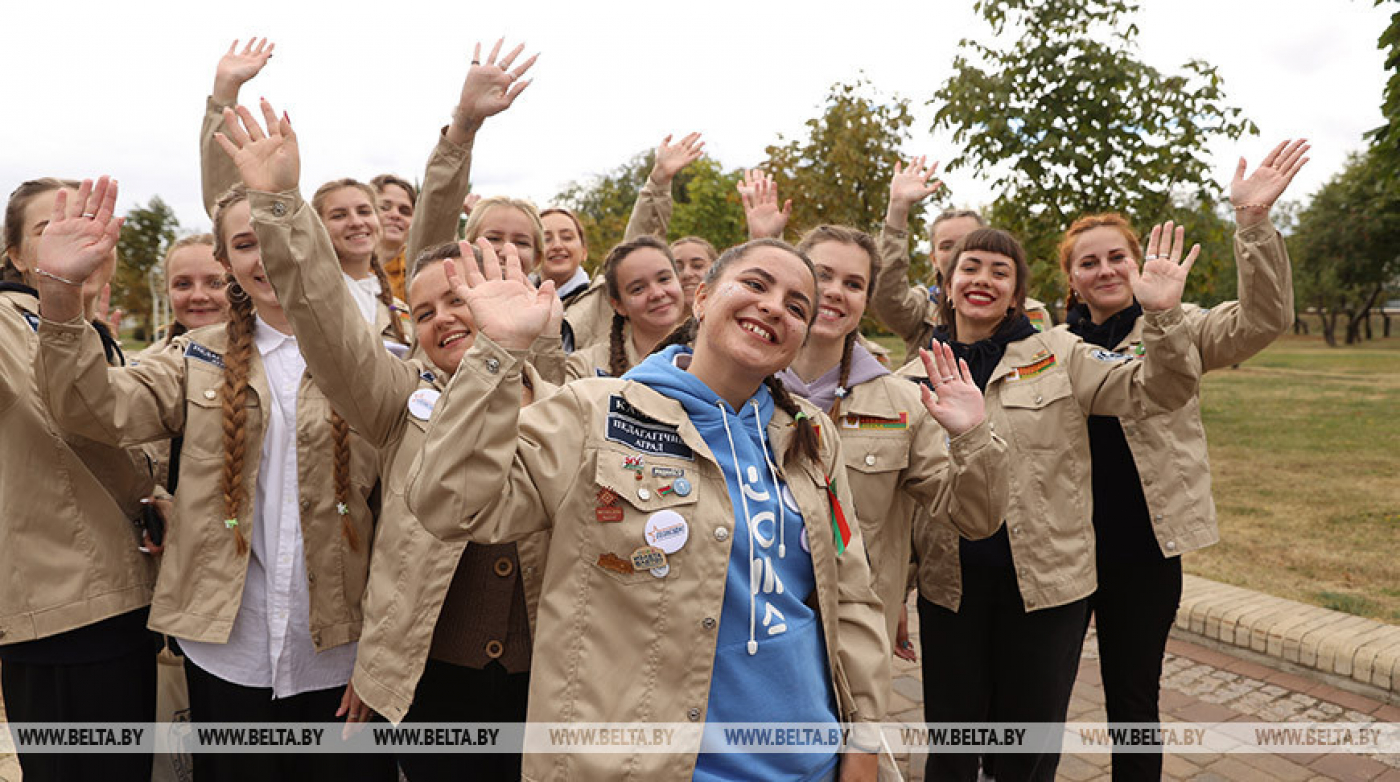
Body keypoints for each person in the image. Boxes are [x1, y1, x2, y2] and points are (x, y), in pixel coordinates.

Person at [407, 238, 889, 781]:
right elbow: (449, 505)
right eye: (755, 284)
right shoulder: (595, 412)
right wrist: (496, 352)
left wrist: (864, 739)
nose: (775, 306)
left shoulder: (811, 434)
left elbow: (850, 595)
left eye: (797, 306)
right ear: (702, 298)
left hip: (809, 764)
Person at [214, 94, 560, 780]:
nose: (442, 319)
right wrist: (281, 206)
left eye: (460, 299)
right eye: (424, 310)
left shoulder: (575, 402)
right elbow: (328, 328)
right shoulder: (405, 400)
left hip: (549, 687)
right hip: (438, 687)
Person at [33, 173, 393, 782]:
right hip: (227, 648)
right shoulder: (193, 357)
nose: (268, 255)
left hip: (343, 653)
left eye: (280, 236)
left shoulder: (376, 360)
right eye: (248, 243)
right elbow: (87, 408)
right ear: (226, 260)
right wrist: (63, 295)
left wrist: (387, 654)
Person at [903, 225, 1203, 782]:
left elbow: (1158, 390)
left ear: (1019, 294)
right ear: (945, 284)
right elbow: (897, 505)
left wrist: (1162, 316)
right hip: (952, 589)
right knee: (950, 749)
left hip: (1045, 590)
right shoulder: (912, 380)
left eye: (1000, 272)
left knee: (1028, 753)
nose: (983, 281)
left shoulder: (1062, 353)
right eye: (970, 268)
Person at [1057, 139, 1307, 781]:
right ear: (1072, 277)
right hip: (1059, 546)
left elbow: (1263, 320)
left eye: (1118, 256)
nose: (1106, 269)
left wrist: (1252, 226)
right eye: (1090, 262)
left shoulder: (1184, 324)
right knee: (1041, 698)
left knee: (1133, 700)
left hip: (1143, 547)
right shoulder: (1044, 343)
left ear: (1141, 263)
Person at [775, 224, 1009, 651]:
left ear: (866, 301)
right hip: (751, 626)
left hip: (850, 637)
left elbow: (975, 519)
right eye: (821, 274)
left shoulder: (904, 403)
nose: (834, 291)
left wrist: (972, 437)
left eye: (854, 283)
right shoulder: (741, 386)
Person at [2, 176, 157, 782]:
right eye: (51, 228)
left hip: (125, 610)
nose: (78, 235)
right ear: (15, 256)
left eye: (90, 221)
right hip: (61, 623)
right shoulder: (7, 325)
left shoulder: (101, 342)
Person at [199, 37, 407, 350]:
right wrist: (224, 98)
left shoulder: (397, 305)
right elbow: (233, 206)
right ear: (316, 229)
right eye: (338, 215)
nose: (356, 222)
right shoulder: (305, 290)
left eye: (364, 211)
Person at [872, 157, 1053, 360]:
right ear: (933, 258)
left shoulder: (1031, 313)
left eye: (968, 243)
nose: (958, 254)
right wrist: (897, 210)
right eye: (947, 246)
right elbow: (886, 294)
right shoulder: (923, 308)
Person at [558, 131, 706, 349]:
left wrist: (658, 182)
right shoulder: (588, 364)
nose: (557, 245)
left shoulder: (706, 354)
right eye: (544, 237)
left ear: (584, 249)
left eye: (567, 236)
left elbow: (638, 249)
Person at [564, 235, 686, 379]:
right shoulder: (586, 367)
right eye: (638, 288)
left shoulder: (712, 354)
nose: (657, 293)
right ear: (618, 305)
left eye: (664, 279)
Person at [145, 233, 227, 349]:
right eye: (183, 284)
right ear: (167, 291)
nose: (198, 296)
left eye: (216, 283)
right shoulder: (148, 362)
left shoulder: (260, 357)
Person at [370, 173, 417, 301]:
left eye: (404, 211)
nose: (395, 215)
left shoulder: (418, 271)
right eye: (385, 207)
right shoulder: (343, 268)